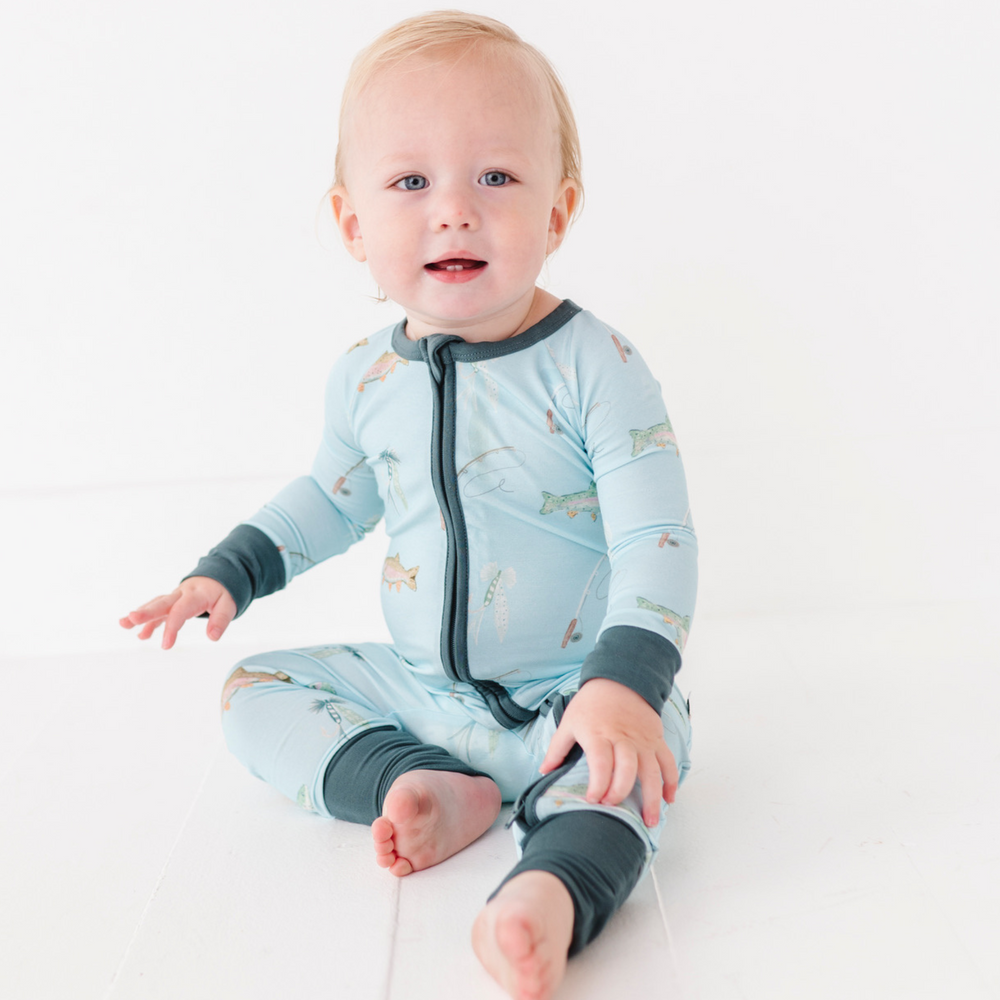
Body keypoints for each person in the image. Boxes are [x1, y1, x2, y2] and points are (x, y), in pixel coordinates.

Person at [119, 11, 696, 1000]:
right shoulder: (364, 379)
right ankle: (419, 784)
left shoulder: (596, 367)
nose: (454, 211)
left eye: (496, 177)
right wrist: (229, 570)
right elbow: (329, 499)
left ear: (557, 213)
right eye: (411, 182)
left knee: (628, 772)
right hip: (429, 697)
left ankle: (548, 895)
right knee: (254, 693)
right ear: (353, 224)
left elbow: (658, 539)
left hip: (576, 695)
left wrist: (624, 684)